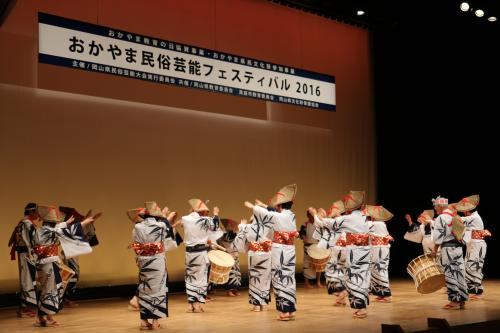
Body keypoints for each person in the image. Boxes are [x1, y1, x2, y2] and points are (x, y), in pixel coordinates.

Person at [310, 190, 370, 319]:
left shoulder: (349, 218)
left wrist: (315, 214)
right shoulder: (363, 216)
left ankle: (361, 309)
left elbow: (324, 223)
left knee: (353, 278)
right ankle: (360, 306)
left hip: (355, 252)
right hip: (365, 251)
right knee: (361, 278)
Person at [32, 205, 95, 327]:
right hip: (47, 263)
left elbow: (58, 229)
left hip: (50, 262)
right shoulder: (46, 231)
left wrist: (66, 222)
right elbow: (62, 231)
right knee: (49, 290)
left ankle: (46, 316)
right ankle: (42, 317)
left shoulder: (45, 229)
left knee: (54, 289)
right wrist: (84, 223)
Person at [244, 183, 298, 321]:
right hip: (290, 250)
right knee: (289, 278)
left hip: (280, 250)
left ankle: (285, 312)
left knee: (280, 278)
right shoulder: (291, 215)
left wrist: (253, 207)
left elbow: (268, 214)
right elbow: (272, 212)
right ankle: (290, 310)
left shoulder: (278, 217)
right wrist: (263, 205)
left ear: (280, 206)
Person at [129, 201, 177, 330]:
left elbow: (136, 245)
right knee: (158, 288)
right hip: (157, 260)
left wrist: (139, 258)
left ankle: (144, 321)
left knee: (145, 288)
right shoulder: (161, 225)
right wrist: (167, 217)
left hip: (144, 260)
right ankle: (155, 322)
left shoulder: (137, 227)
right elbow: (168, 238)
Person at [175, 199, 221, 313]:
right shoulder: (205, 220)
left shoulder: (186, 219)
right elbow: (215, 226)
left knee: (190, 278)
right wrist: (216, 214)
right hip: (200, 253)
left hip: (189, 253)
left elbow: (183, 225)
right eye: (207, 211)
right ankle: (197, 305)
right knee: (200, 279)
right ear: (203, 212)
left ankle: (190, 305)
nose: (208, 213)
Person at [430, 196, 468, 309]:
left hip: (448, 248)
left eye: (436, 206)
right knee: (459, 272)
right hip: (458, 249)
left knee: (450, 272)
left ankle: (454, 301)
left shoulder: (441, 218)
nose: (435, 209)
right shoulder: (456, 217)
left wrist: (434, 250)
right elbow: (462, 234)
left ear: (441, 206)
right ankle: (462, 299)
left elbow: (438, 236)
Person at [232, 215, 273, 312]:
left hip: (254, 255)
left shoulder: (247, 227)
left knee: (255, 279)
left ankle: (257, 305)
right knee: (265, 279)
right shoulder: (268, 227)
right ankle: (264, 304)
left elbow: (239, 240)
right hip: (266, 255)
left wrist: (242, 225)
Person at [456, 195, 490, 300]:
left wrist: (451, 214)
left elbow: (460, 220)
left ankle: (478, 291)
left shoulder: (474, 217)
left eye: (464, 211)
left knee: (473, 267)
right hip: (473, 245)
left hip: (477, 245)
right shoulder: (473, 217)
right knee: (470, 266)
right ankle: (476, 290)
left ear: (467, 211)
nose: (464, 213)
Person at [7, 202, 39, 318]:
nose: (38, 214)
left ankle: (22, 308)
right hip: (27, 254)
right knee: (27, 280)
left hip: (24, 254)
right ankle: (26, 308)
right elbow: (35, 240)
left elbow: (12, 241)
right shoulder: (27, 224)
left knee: (26, 279)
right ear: (31, 212)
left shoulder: (22, 223)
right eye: (36, 211)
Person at [365, 205, 394, 303]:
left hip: (379, 249)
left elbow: (363, 225)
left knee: (379, 269)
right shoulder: (379, 223)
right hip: (377, 248)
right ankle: (380, 293)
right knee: (375, 270)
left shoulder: (378, 223)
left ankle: (387, 295)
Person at [218, 219, 242, 296]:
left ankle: (236, 289)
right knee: (230, 273)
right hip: (228, 255)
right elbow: (229, 238)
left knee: (237, 273)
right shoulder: (223, 234)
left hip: (235, 255)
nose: (231, 226)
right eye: (230, 225)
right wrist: (235, 231)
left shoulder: (231, 233)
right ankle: (230, 290)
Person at [299, 211, 322, 288]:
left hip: (317, 246)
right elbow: (301, 234)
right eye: (311, 215)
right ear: (308, 215)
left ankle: (318, 282)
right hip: (308, 246)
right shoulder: (305, 224)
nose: (312, 216)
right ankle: (307, 283)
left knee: (319, 264)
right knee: (307, 264)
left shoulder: (318, 223)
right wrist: (304, 238)